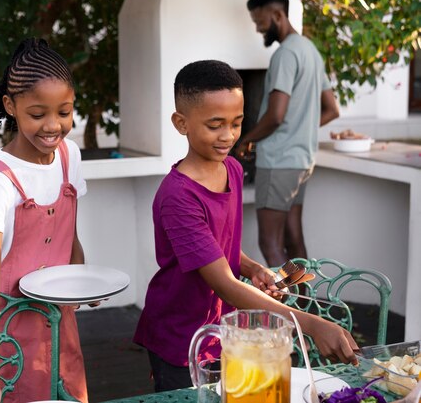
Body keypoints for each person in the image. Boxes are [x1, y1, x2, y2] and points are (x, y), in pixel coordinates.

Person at [133, 59, 357, 392]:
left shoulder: (233, 170)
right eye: (215, 124)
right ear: (181, 123)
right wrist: (311, 325)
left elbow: (218, 246)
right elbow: (223, 282)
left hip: (224, 330)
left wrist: (252, 267)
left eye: (237, 122)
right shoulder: (178, 196)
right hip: (180, 337)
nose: (228, 135)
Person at [0, 38, 89, 403]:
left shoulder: (69, 155)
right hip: (9, 339)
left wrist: (82, 278)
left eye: (65, 112)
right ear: (11, 106)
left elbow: (71, 238)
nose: (53, 126)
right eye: (38, 114)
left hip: (60, 325)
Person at [236, 0, 340, 268]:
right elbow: (332, 109)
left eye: (260, 22)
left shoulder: (284, 55)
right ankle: (306, 306)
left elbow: (275, 115)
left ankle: (287, 310)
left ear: (277, 14)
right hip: (303, 162)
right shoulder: (310, 51)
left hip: (280, 162)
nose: (259, 30)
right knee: (294, 239)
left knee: (269, 243)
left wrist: (246, 140)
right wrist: (301, 128)